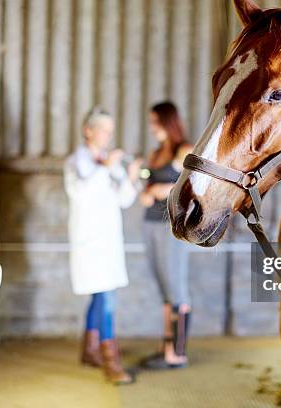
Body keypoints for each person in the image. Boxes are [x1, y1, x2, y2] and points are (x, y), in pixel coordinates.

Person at [64, 107, 141, 385]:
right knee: (107, 298)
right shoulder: (76, 162)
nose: (108, 135)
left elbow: (124, 199)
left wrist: (129, 176)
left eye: (110, 130)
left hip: (109, 241)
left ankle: (89, 350)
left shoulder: (109, 161)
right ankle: (111, 361)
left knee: (100, 296)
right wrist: (106, 169)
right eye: (103, 130)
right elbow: (80, 193)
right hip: (89, 242)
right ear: (88, 131)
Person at [140, 102, 193, 369]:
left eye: (156, 122)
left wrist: (165, 189)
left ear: (168, 121)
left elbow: (194, 186)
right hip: (149, 223)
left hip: (171, 226)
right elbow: (147, 183)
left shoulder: (185, 150)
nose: (152, 128)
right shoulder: (156, 152)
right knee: (163, 288)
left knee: (176, 288)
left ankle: (178, 353)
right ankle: (167, 347)